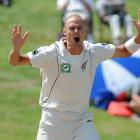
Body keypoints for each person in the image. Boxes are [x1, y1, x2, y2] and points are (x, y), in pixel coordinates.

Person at [8, 9, 140, 140]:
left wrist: (139, 36)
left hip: (81, 122)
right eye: (72, 28)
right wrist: (16, 49)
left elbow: (125, 51)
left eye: (80, 28)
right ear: (64, 32)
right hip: (52, 122)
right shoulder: (50, 53)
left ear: (85, 31)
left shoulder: (94, 51)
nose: (76, 31)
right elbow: (16, 61)